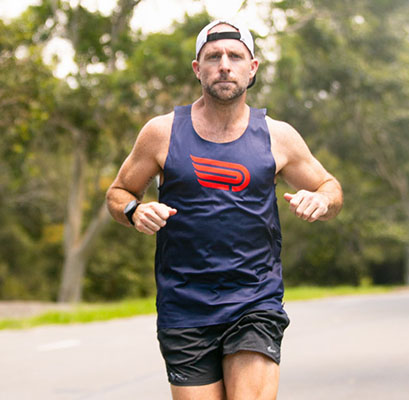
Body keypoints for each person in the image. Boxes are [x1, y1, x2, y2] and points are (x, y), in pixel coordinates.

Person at [106, 19, 343, 400]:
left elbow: (329, 187)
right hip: (184, 304)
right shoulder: (161, 132)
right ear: (198, 70)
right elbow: (118, 192)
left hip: (255, 298)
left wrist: (322, 200)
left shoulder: (277, 136)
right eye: (213, 57)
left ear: (253, 69)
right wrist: (134, 211)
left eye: (235, 56)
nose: (224, 65)